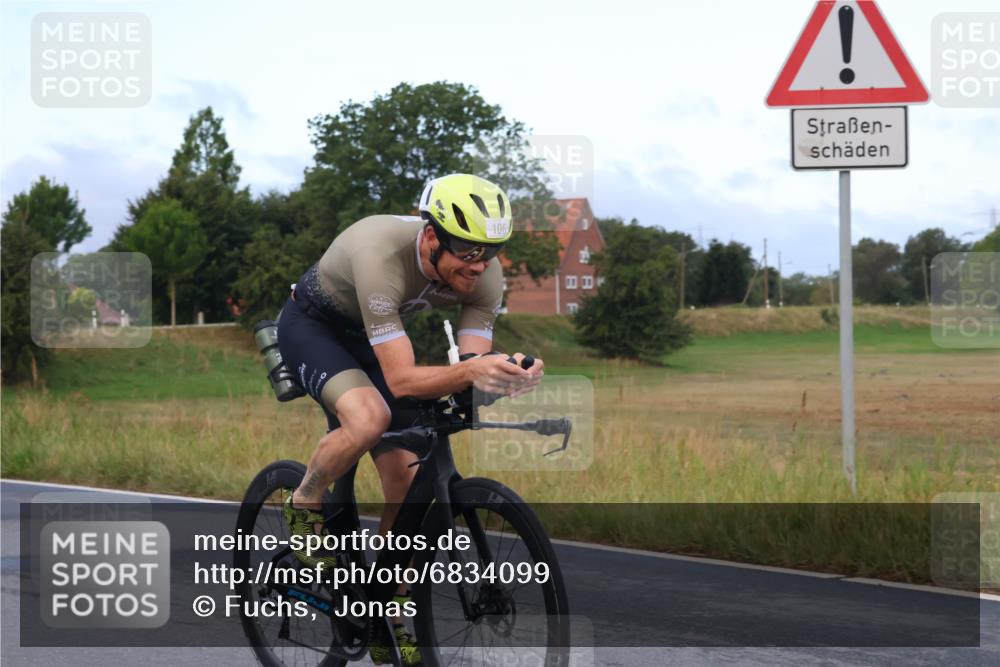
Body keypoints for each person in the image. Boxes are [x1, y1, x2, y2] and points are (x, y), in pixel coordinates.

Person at [276, 173, 544, 665]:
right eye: (466, 251)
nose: (478, 265)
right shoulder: (379, 254)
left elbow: (469, 366)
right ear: (430, 236)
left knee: (406, 477)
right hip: (314, 327)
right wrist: (469, 370)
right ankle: (305, 496)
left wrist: (504, 375)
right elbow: (400, 381)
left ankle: (385, 606)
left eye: (489, 251)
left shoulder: (485, 275)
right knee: (369, 417)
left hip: (377, 339)